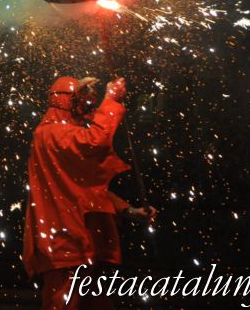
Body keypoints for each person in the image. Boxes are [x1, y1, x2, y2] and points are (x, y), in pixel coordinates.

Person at [22, 76, 157, 310]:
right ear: (67, 101)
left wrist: (127, 210)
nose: (88, 105)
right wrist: (111, 100)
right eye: (82, 99)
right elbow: (94, 140)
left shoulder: (61, 135)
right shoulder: (50, 134)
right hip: (63, 245)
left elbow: (84, 187)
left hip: (81, 244)